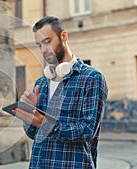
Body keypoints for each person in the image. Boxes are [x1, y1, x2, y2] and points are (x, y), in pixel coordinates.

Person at [12, 16, 108, 169]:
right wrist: (29, 115)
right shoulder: (41, 83)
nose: (43, 50)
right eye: (39, 45)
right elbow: (33, 134)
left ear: (63, 36)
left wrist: (44, 122)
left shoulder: (92, 78)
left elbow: (87, 130)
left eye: (47, 42)